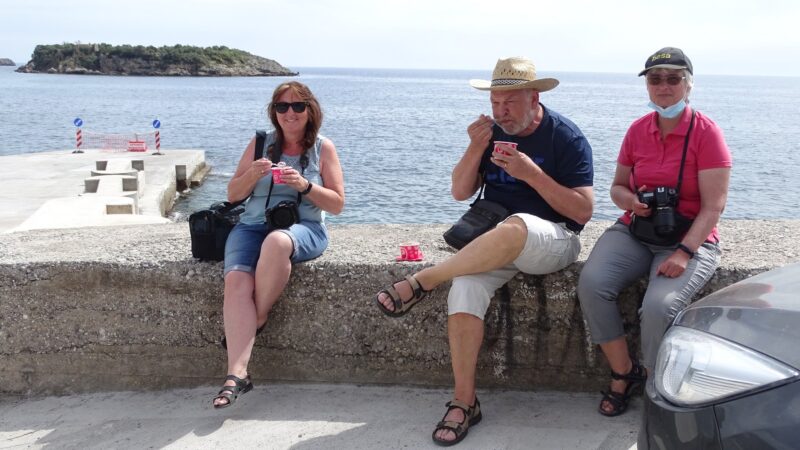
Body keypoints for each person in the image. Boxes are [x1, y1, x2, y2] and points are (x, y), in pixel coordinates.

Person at [375, 57, 594, 446]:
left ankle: (421, 280)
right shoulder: (491, 133)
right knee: (464, 289)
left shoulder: (566, 137)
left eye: (509, 102)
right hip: (493, 244)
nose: (501, 111)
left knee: (518, 225)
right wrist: (475, 147)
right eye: (495, 102)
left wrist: (531, 174)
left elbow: (582, 211)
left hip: (554, 238)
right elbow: (460, 191)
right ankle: (464, 402)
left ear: (534, 96)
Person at [577, 47, 731, 417]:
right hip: (636, 230)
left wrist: (684, 253)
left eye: (673, 78)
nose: (663, 86)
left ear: (688, 85)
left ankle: (656, 382)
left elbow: (713, 206)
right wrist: (631, 201)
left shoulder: (707, 133)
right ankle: (623, 372)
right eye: (655, 78)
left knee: (659, 307)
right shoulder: (637, 130)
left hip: (686, 238)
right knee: (592, 283)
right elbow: (616, 188)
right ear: (647, 85)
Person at [212, 81, 345, 408]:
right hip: (251, 225)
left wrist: (304, 185)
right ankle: (236, 374)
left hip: (305, 228)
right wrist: (252, 175)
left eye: (298, 106)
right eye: (282, 107)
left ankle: (256, 318)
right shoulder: (260, 144)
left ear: (310, 110)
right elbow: (233, 195)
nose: (290, 113)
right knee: (236, 281)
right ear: (274, 112)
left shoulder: (322, 149)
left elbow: (338, 204)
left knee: (276, 242)